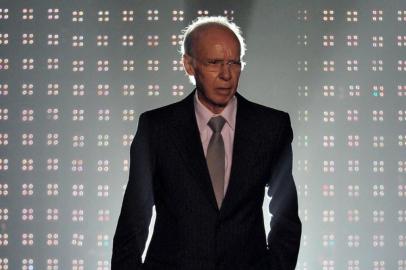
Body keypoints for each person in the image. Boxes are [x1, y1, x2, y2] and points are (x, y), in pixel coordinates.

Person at [111, 16, 301, 270]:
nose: (226, 74)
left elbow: (286, 216)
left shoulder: (271, 127)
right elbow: (134, 219)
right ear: (189, 65)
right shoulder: (156, 128)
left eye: (234, 63)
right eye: (214, 63)